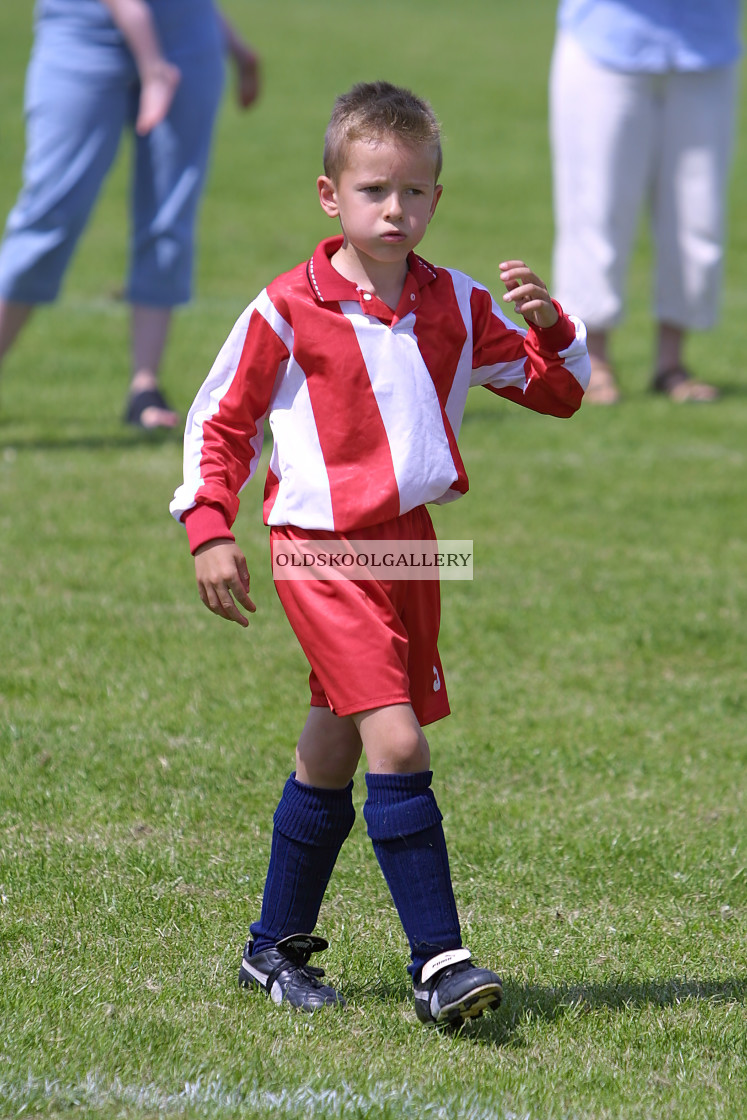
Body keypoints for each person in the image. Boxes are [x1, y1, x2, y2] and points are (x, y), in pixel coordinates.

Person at [170, 81, 591, 1026]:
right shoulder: (287, 307)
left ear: (436, 198)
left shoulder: (457, 303)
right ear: (331, 196)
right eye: (372, 191)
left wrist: (553, 328)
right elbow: (220, 424)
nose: (392, 210)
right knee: (396, 738)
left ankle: (270, 950)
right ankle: (440, 963)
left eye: (412, 192)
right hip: (317, 551)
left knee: (332, 741)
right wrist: (208, 528)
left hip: (411, 550)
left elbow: (559, 393)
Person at [0, 0, 259, 429]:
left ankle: (145, 388)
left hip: (186, 32)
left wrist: (232, 42)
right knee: (49, 214)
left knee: (168, 219)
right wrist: (151, 62)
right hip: (82, 30)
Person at [549, 0, 742, 403]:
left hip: (707, 40)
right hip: (607, 33)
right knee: (596, 204)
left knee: (698, 212)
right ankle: (593, 359)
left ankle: (671, 364)